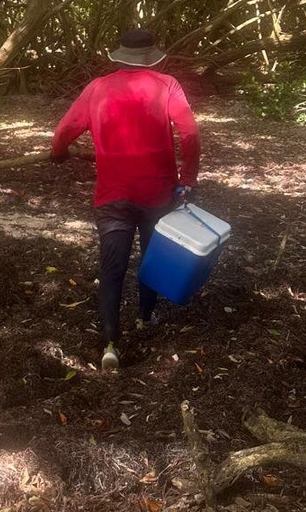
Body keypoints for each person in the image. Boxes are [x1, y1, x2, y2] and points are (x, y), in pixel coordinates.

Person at [50, 28, 200, 371]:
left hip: (113, 196)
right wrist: (188, 178)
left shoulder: (97, 88)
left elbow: (64, 131)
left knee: (111, 268)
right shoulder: (167, 85)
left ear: (121, 56)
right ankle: (145, 318)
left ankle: (110, 343)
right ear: (152, 56)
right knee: (151, 259)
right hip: (157, 194)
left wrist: (58, 152)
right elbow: (190, 133)